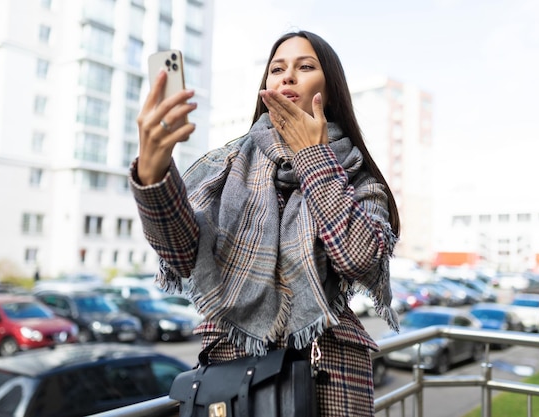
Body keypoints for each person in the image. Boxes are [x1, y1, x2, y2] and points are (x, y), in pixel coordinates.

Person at [131, 30, 400, 417]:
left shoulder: (357, 177)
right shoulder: (226, 165)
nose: (287, 76)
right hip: (234, 376)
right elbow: (181, 251)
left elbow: (360, 259)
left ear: (331, 89)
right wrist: (152, 174)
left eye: (305, 67)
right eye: (277, 69)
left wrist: (313, 156)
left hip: (329, 377)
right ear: (266, 87)